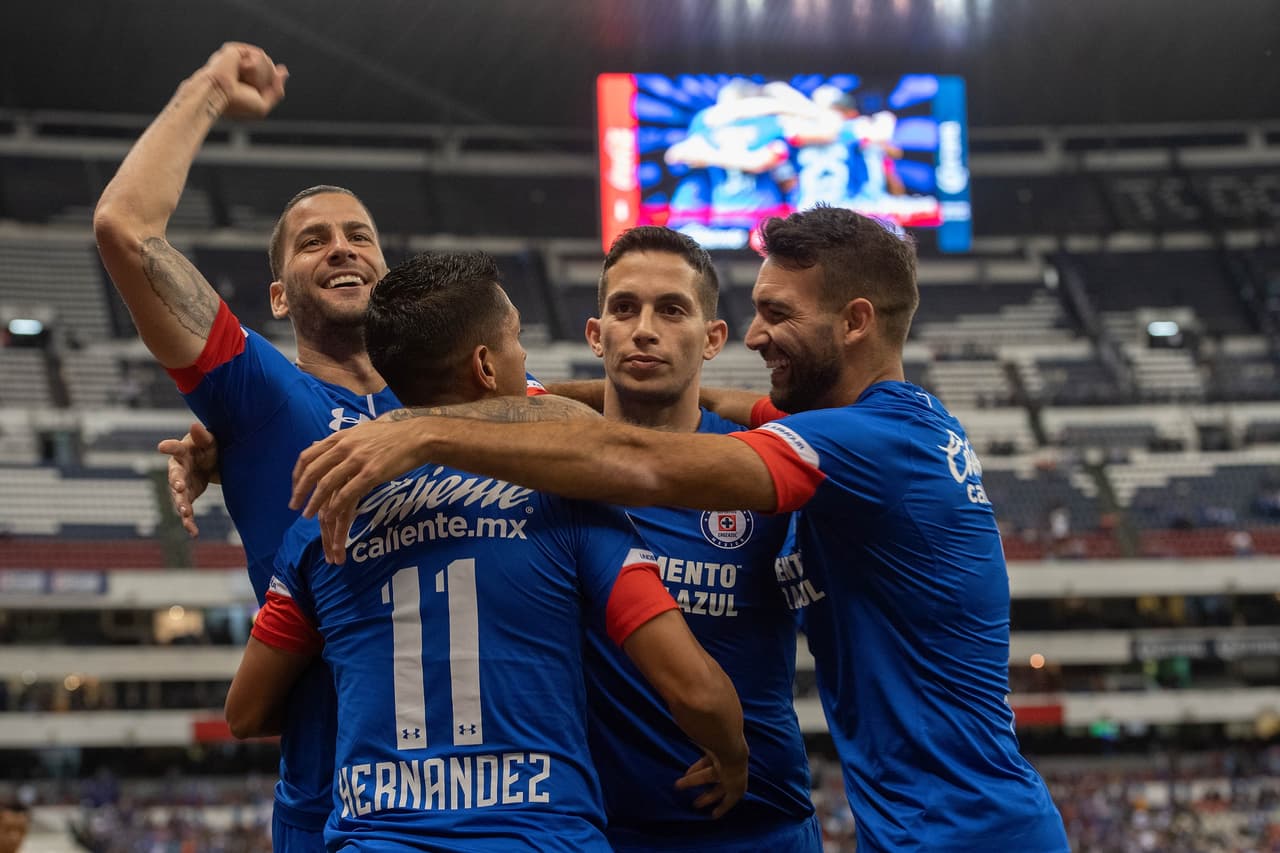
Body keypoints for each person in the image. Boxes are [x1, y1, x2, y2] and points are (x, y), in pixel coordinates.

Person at [291, 206, 1071, 852]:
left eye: (776, 315)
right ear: (597, 333)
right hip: (861, 826)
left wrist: (427, 432)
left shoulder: (864, 446)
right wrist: (479, 404)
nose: (762, 336)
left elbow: (647, 463)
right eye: (624, 311)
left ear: (856, 320)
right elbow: (732, 406)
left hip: (917, 829)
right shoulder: (845, 427)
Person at [225, 251, 749, 851]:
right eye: (516, 341)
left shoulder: (323, 525)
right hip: (540, 837)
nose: (524, 359)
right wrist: (732, 754)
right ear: (485, 365)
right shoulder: (567, 498)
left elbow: (246, 713)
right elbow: (694, 691)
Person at [93, 42, 401, 852]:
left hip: (478, 796)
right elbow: (126, 229)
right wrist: (208, 90)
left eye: (359, 235)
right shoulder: (262, 391)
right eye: (314, 241)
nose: (342, 247)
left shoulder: (451, 398)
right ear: (277, 293)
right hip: (335, 803)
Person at [574, 226, 820, 851]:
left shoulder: (765, 468)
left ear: (713, 339)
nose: (645, 328)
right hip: (600, 830)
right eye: (624, 308)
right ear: (596, 333)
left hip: (759, 824)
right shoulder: (551, 468)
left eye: (672, 309)